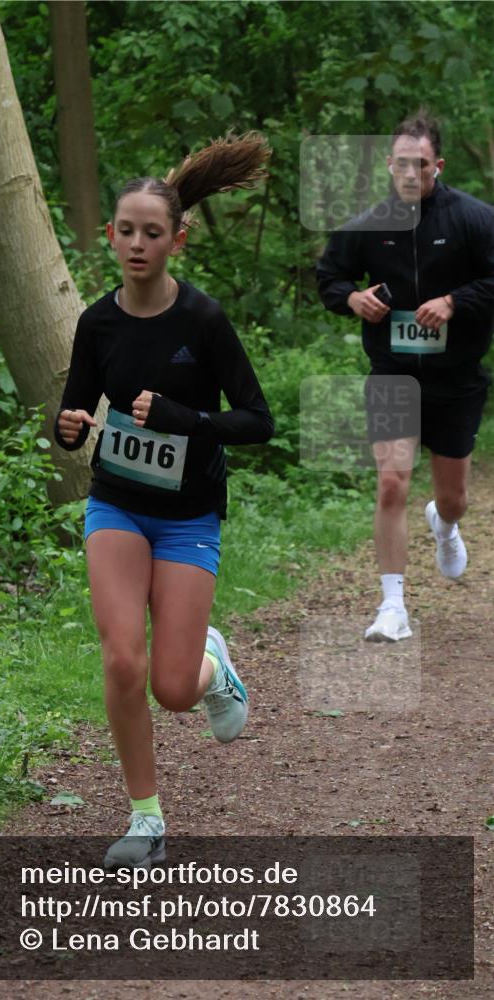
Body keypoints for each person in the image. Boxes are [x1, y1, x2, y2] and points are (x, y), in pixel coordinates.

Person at [54, 134, 274, 867]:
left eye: (152, 233)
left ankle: (212, 664)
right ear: (110, 236)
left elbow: (256, 420)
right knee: (122, 660)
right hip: (116, 503)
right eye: (125, 231)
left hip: (187, 514)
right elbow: (74, 414)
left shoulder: (203, 321)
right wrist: (68, 426)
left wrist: (187, 420)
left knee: (172, 688)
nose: (137, 244)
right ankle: (144, 817)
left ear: (176, 239)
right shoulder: (97, 322)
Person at [317, 110, 494, 642]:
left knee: (453, 497)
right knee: (392, 481)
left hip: (456, 376)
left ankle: (444, 523)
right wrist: (352, 298)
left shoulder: (473, 219)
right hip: (392, 371)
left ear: (437, 166)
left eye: (421, 164)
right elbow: (330, 277)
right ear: (388, 166)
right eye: (401, 164)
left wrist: (454, 302)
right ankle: (393, 607)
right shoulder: (368, 225)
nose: (411, 174)